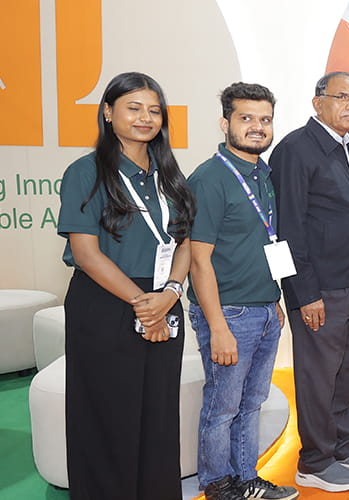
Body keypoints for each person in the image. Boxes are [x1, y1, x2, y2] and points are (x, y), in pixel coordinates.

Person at [57, 71, 195, 499]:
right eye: (134, 108)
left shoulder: (170, 174)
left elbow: (185, 241)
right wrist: (142, 304)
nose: (145, 118)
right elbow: (86, 253)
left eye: (154, 110)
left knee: (157, 416)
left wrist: (169, 295)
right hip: (107, 303)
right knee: (107, 416)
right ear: (108, 112)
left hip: (163, 297)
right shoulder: (85, 172)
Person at [270, 71, 349, 492]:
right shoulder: (297, 149)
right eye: (342, 97)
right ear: (318, 103)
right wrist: (303, 293)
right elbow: (288, 229)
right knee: (319, 376)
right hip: (321, 291)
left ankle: (338, 446)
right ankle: (313, 461)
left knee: (343, 374)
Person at [186, 82, 299, 500]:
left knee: (251, 405)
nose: (257, 127)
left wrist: (275, 302)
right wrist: (217, 325)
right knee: (222, 408)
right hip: (229, 313)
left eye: (264, 119)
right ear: (225, 123)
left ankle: (246, 478)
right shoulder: (210, 178)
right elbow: (199, 260)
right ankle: (217, 485)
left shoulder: (262, 174)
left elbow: (266, 245)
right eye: (246, 118)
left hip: (265, 310)